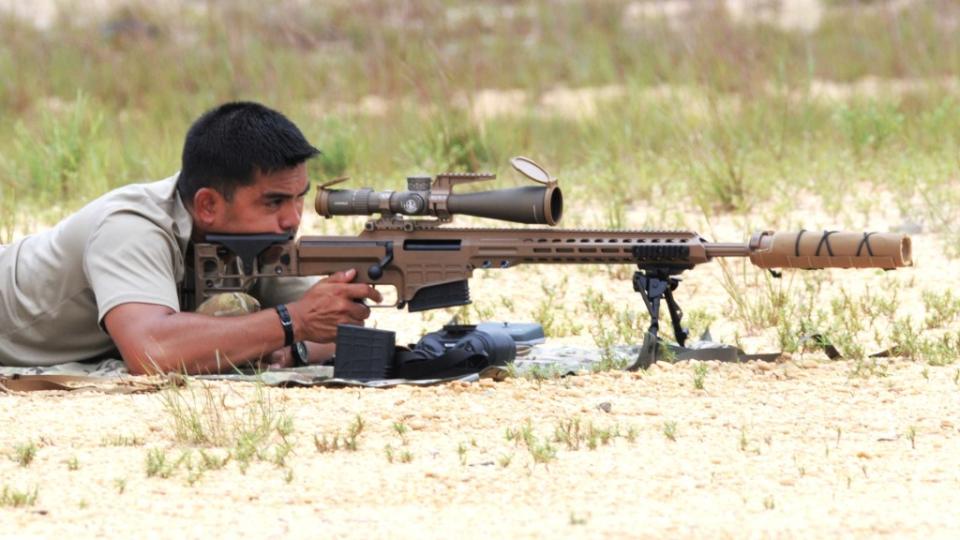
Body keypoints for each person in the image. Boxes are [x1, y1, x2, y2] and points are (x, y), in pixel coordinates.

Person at [0, 101, 381, 375]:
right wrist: (291, 322)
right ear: (208, 205)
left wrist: (293, 348)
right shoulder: (130, 226)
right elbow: (152, 351)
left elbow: (331, 327)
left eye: (299, 198)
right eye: (274, 201)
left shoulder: (257, 238)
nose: (292, 219)